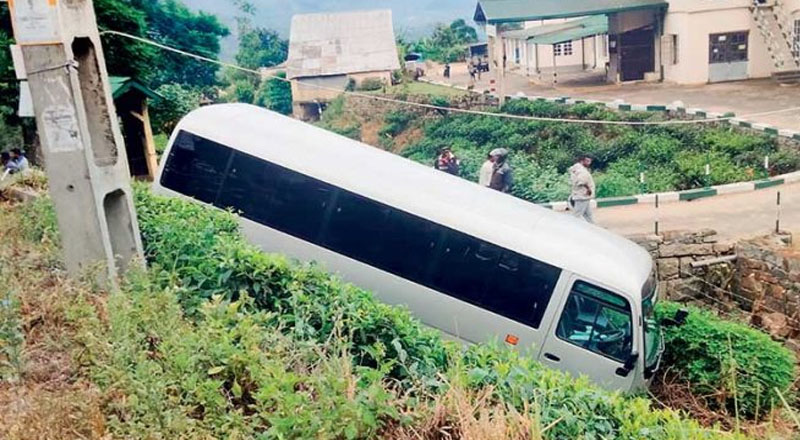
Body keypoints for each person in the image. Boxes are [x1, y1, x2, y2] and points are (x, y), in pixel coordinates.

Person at [568, 154, 596, 223]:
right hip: (582, 195)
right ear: (582, 161)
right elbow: (582, 181)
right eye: (587, 161)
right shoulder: (581, 170)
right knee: (576, 215)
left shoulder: (576, 169)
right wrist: (588, 189)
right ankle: (571, 229)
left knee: (588, 215)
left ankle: (593, 228)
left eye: (590, 161)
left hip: (582, 195)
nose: (589, 163)